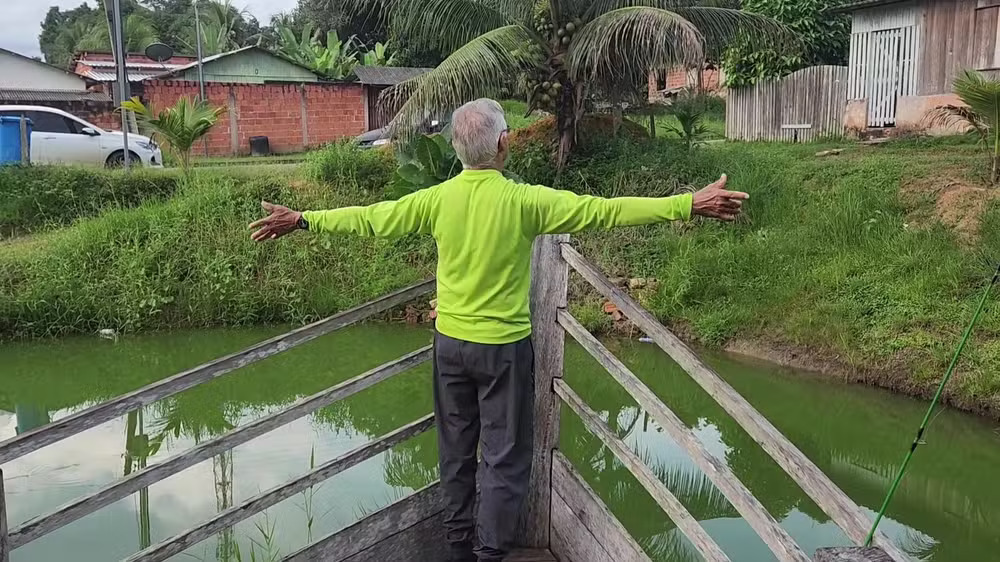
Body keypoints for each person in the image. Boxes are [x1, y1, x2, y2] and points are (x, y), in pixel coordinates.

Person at [249, 98, 747, 561]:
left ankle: (460, 547)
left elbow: (373, 218)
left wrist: (304, 220)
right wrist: (686, 203)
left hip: (450, 350)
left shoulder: (437, 200)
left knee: (456, 451)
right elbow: (605, 210)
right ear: (504, 143)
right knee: (505, 460)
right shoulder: (525, 201)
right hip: (503, 352)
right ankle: (489, 556)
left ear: (456, 149)